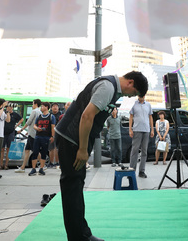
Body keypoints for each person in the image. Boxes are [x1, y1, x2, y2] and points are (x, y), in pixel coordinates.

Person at [55, 71, 147, 241]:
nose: (130, 96)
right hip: (71, 138)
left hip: (74, 138)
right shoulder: (107, 87)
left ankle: (82, 234)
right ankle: (79, 237)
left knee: (75, 186)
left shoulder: (111, 87)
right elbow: (86, 115)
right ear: (130, 83)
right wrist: (83, 149)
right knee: (72, 187)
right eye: (133, 93)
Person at [129, 95, 154, 178]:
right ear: (138, 96)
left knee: (144, 151)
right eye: (140, 95)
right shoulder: (134, 105)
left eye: (143, 95)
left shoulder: (148, 105)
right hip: (136, 130)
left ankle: (141, 171)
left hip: (146, 130)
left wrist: (152, 129)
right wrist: (130, 129)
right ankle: (132, 171)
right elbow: (131, 117)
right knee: (134, 150)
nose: (141, 96)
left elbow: (150, 117)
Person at [28, 102, 55, 176]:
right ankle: (33, 169)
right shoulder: (39, 116)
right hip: (38, 136)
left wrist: (52, 136)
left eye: (42, 106)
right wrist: (37, 128)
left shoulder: (51, 116)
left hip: (46, 137)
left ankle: (41, 169)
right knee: (35, 152)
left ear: (46, 107)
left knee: (44, 153)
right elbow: (34, 125)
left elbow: (53, 127)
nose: (41, 107)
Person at [15, 98, 41, 173]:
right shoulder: (39, 112)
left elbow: (29, 122)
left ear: (36, 104)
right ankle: (23, 167)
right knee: (27, 150)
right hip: (32, 133)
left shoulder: (34, 111)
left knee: (35, 150)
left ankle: (43, 164)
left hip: (32, 134)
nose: (32, 105)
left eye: (33, 104)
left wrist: (22, 129)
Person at [0, 104, 22, 170]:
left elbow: (22, 119)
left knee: (9, 149)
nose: (9, 108)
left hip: (11, 132)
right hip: (3, 132)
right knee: (2, 149)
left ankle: (6, 165)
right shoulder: (3, 113)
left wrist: (16, 126)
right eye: (8, 107)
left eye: (10, 107)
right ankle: (1, 165)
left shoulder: (15, 114)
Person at [47, 103, 61, 168]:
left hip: (59, 134)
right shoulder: (49, 115)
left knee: (57, 148)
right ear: (51, 108)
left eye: (56, 106)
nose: (55, 107)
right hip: (51, 134)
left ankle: (57, 162)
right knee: (51, 148)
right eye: (53, 106)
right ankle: (51, 162)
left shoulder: (60, 115)